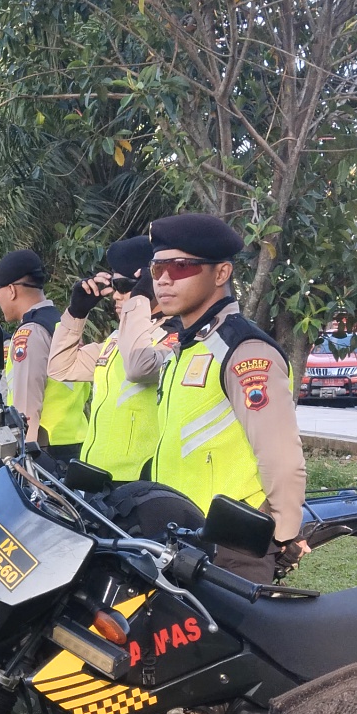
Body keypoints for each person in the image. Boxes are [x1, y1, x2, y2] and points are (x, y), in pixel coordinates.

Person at [121, 213, 308, 582]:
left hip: (228, 546)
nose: (164, 280)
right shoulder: (185, 347)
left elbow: (281, 454)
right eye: (157, 268)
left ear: (220, 274)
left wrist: (284, 534)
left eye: (181, 267)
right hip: (178, 536)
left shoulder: (243, 350)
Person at [52, 236, 166, 481]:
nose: (116, 295)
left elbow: (139, 368)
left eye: (124, 286)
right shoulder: (117, 339)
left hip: (139, 481)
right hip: (96, 476)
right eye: (114, 286)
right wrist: (76, 313)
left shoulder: (174, 335)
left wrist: (140, 299)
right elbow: (61, 368)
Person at [0, 249, 91, 459]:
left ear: (11, 290)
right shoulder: (62, 325)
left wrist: (23, 459)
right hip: (74, 440)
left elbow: (26, 411)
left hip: (43, 448)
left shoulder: (30, 332)